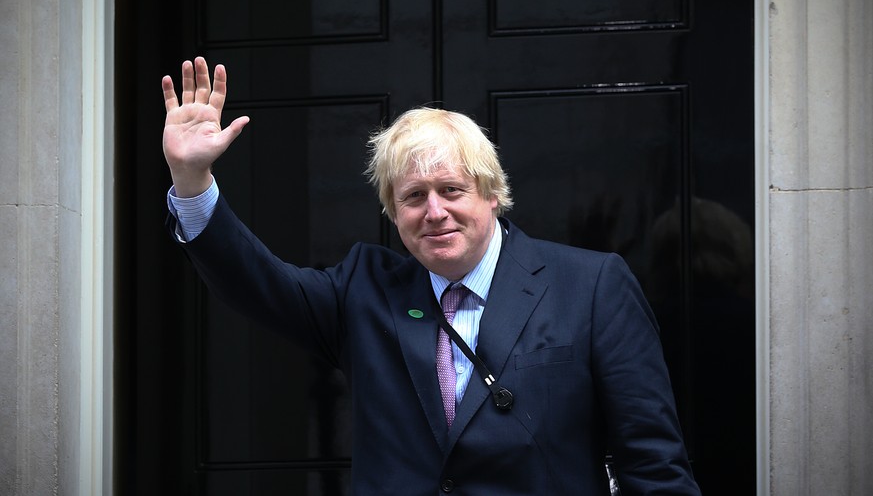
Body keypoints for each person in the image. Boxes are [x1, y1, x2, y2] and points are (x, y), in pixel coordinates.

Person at [162, 57, 701, 495]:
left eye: (452, 190)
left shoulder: (591, 286)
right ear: (393, 213)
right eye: (413, 197)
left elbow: (652, 462)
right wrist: (192, 178)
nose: (434, 211)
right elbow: (258, 283)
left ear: (492, 194)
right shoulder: (364, 291)